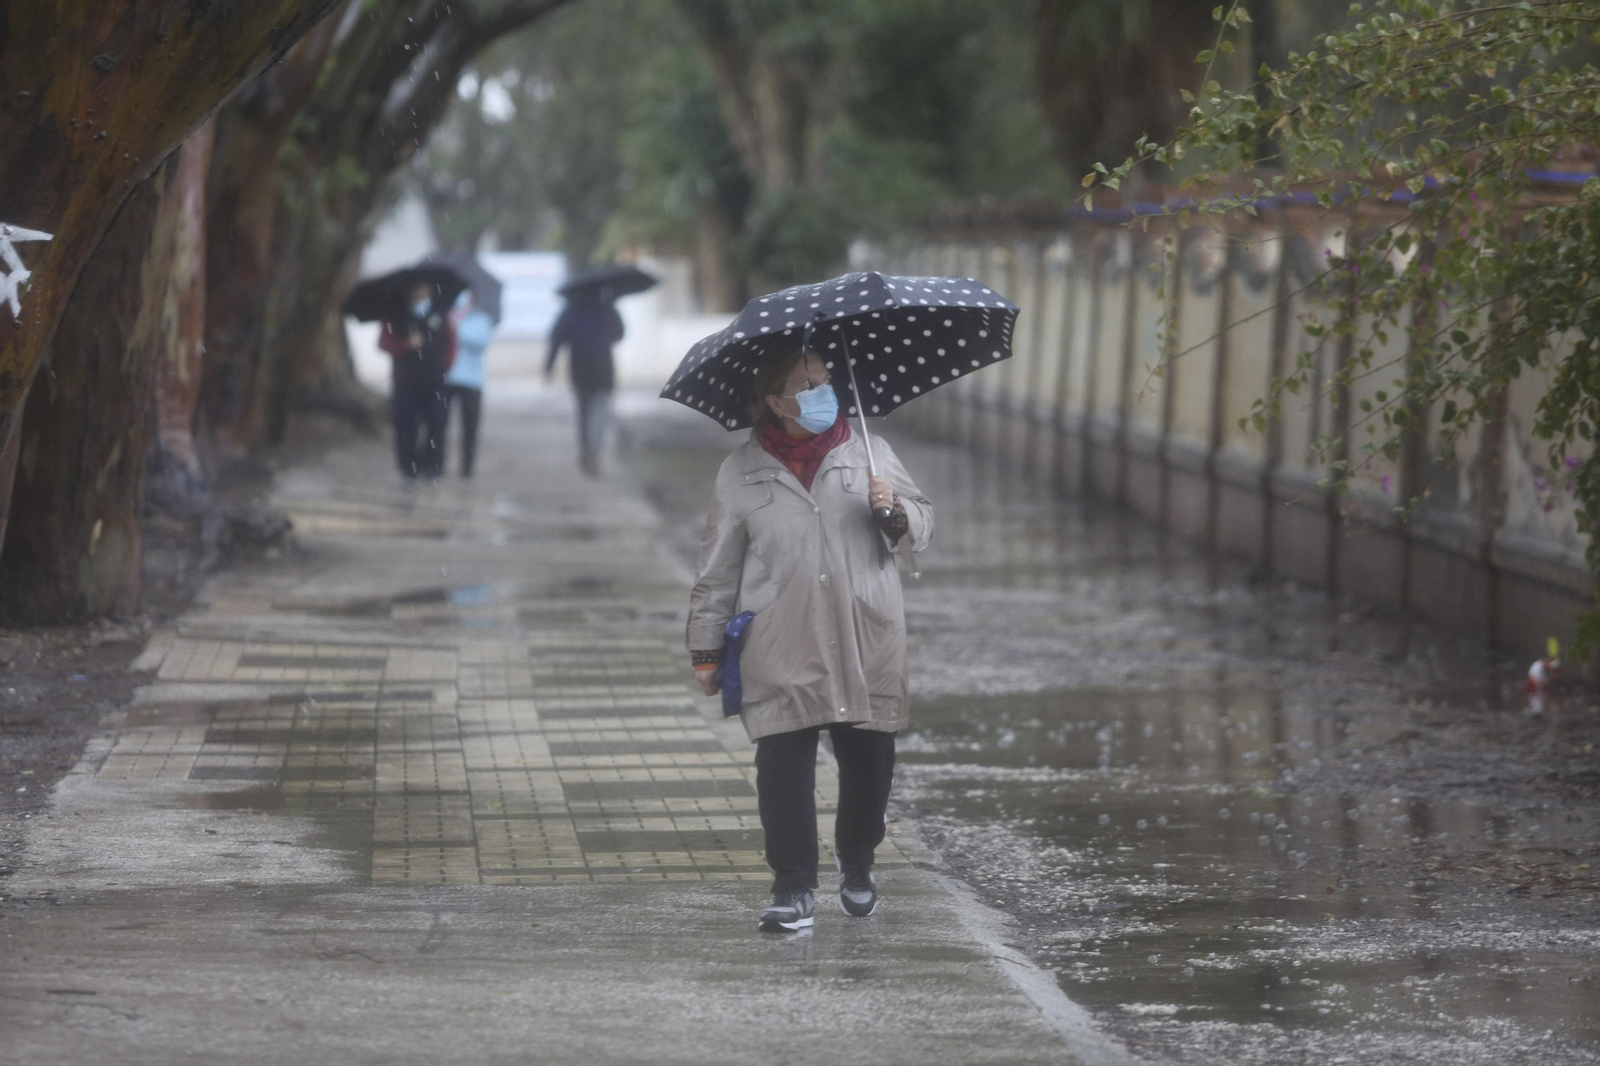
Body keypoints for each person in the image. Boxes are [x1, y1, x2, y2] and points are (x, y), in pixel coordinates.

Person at [686, 345, 933, 933]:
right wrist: (706, 648)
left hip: (864, 630)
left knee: (869, 758)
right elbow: (717, 566)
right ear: (775, 401)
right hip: (779, 634)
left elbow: (921, 521)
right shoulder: (740, 471)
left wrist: (895, 511)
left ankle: (858, 859)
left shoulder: (870, 451)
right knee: (782, 761)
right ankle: (792, 887)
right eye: (806, 383)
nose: (824, 390)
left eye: (826, 379)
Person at [545, 289, 624, 477]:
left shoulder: (571, 312)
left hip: (580, 370)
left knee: (584, 413)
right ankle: (593, 455)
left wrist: (549, 366)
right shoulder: (608, 310)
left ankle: (586, 454)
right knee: (599, 414)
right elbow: (620, 334)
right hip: (604, 370)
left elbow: (556, 338)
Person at [378, 282, 452, 483]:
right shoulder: (395, 315)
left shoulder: (440, 314)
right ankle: (409, 467)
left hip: (435, 380)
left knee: (437, 423)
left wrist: (444, 366)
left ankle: (432, 465)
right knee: (405, 427)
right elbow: (384, 342)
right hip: (405, 380)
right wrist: (405, 345)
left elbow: (452, 343)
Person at [445, 290, 495, 479]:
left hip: (472, 381)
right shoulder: (445, 317)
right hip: (448, 378)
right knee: (440, 424)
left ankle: (467, 468)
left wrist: (459, 329)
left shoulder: (480, 320)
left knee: (470, 427)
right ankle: (437, 464)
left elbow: (482, 343)